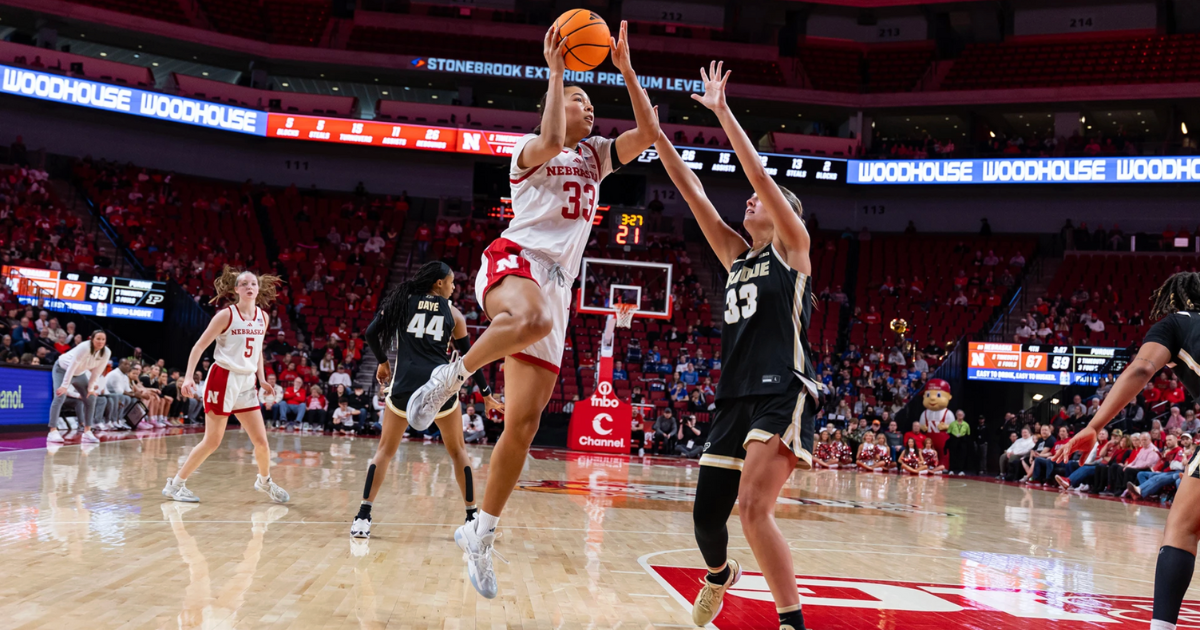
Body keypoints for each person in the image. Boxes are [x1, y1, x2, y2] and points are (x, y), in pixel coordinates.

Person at [401, 22, 658, 599]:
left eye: (593, 101)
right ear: (555, 103)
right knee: (534, 318)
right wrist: (558, 71)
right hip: (515, 260)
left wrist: (625, 72)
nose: (589, 108)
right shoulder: (529, 150)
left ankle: (481, 534)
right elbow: (547, 138)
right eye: (579, 100)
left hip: (558, 286)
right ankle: (453, 376)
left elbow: (647, 131)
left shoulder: (595, 155)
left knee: (523, 425)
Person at [655, 61, 818, 630]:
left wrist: (723, 112)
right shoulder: (736, 257)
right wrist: (658, 139)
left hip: (782, 389)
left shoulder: (791, 248)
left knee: (753, 508)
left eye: (760, 200)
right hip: (734, 397)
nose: (749, 201)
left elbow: (762, 180)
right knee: (706, 521)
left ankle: (790, 622)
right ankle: (722, 576)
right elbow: (693, 191)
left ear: (782, 216)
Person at [1054, 272, 1200, 630]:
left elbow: (1143, 366)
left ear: (1174, 300)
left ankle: (1161, 628)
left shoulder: (1177, 323)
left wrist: (1094, 426)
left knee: (1182, 529)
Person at [351, 261, 503, 540]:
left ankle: (363, 516)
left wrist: (384, 363)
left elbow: (371, 333)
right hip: (440, 387)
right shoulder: (454, 314)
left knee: (384, 452)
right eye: (452, 282)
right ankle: (472, 517)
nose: (454, 287)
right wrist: (487, 394)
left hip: (405, 385)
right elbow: (471, 358)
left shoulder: (402, 302)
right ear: (438, 283)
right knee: (458, 453)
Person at [162, 267, 289, 504]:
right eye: (244, 284)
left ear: (258, 288)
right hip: (223, 379)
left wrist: (262, 378)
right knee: (213, 441)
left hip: (247, 381)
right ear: (236, 289)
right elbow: (198, 346)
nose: (249, 287)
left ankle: (264, 481)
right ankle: (175, 485)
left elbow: (257, 351)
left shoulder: (263, 316)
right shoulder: (226, 315)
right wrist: (189, 377)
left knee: (261, 441)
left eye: (253, 283)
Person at [46, 329, 111, 444]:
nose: (100, 342)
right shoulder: (84, 347)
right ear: (92, 339)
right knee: (60, 396)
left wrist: (90, 389)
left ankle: (87, 432)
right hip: (62, 369)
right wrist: (64, 386)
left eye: (103, 339)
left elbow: (97, 372)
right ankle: (52, 431)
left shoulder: (106, 352)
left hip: (79, 373)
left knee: (90, 398)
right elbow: (72, 366)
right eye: (98, 339)